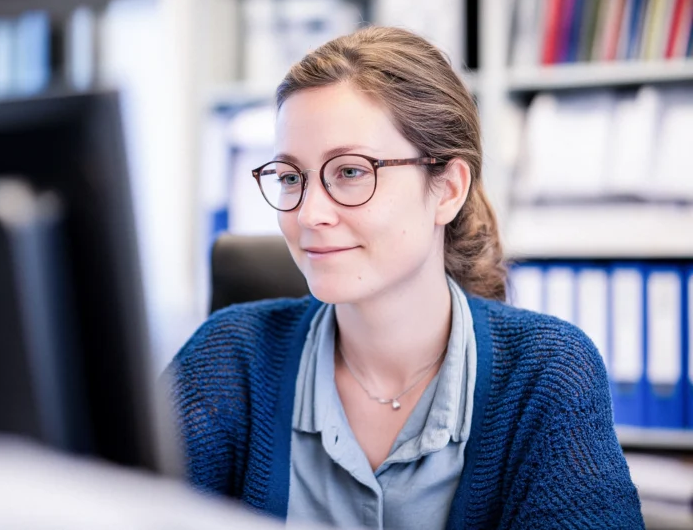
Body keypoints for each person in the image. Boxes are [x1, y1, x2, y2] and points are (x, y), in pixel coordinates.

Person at [167, 26, 643, 529]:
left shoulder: (547, 375)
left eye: (350, 172)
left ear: (447, 189)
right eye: (290, 177)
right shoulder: (227, 358)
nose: (308, 214)